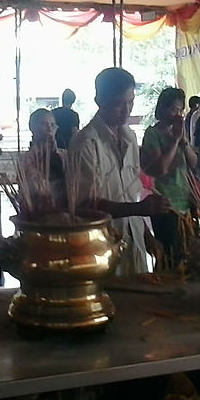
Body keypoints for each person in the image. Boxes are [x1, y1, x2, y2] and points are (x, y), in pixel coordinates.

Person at [68, 68, 171, 275]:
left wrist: (147, 236)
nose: (126, 110)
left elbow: (130, 192)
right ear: (99, 101)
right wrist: (138, 208)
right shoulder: (85, 143)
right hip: (101, 248)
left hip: (134, 242)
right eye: (118, 104)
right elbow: (85, 206)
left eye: (130, 102)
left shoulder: (130, 137)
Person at [140, 87, 198, 269]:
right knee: (168, 255)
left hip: (184, 201)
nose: (177, 115)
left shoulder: (179, 134)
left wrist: (183, 141)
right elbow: (161, 168)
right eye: (173, 109)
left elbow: (194, 162)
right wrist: (174, 141)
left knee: (187, 254)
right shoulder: (152, 134)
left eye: (180, 110)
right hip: (164, 202)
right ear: (162, 109)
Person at [21, 108, 67, 211]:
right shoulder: (27, 159)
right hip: (37, 212)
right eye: (44, 124)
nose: (49, 129)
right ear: (32, 128)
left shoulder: (64, 156)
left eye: (52, 125)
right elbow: (35, 188)